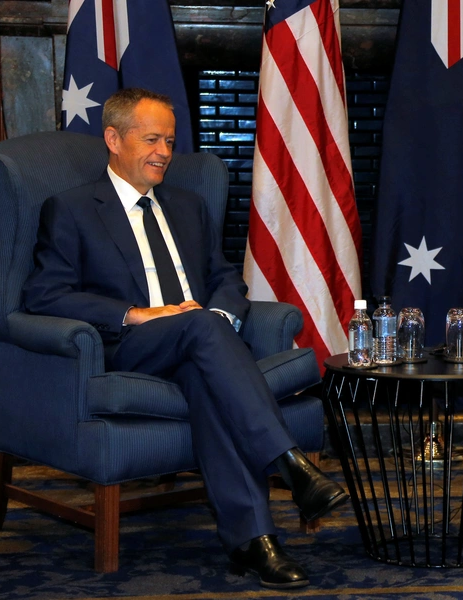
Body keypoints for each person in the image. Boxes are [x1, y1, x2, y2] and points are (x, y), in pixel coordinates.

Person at [23, 88, 348, 590]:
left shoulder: (187, 205)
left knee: (205, 365)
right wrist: (133, 314)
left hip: (200, 341)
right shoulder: (71, 209)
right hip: (130, 348)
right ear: (113, 138)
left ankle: (254, 542)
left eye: (170, 141)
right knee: (201, 328)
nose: (163, 152)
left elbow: (224, 278)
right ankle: (290, 463)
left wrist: (216, 314)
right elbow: (45, 295)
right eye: (151, 139)